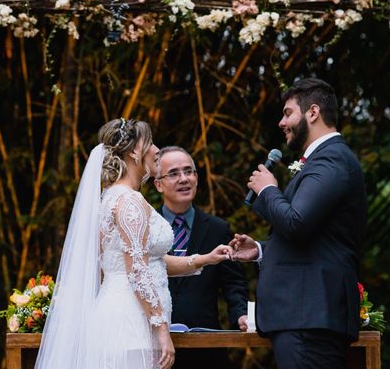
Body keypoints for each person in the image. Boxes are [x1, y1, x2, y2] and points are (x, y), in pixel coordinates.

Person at [34, 118, 233, 369]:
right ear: (134, 152)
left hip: (121, 315)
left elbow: (146, 260)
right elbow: (137, 270)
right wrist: (162, 329)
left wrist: (204, 259)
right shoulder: (130, 202)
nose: (156, 151)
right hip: (130, 323)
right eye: (150, 144)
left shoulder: (111, 197)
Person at [230, 77, 367, 368]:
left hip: (310, 317)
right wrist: (261, 249)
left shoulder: (332, 160)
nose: (282, 122)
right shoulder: (323, 160)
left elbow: (297, 223)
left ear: (313, 112)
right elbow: (314, 236)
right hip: (304, 317)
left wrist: (268, 189)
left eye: (288, 112)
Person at [153, 146, 249, 369]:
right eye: (174, 173)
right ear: (158, 184)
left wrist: (240, 315)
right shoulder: (145, 227)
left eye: (189, 171)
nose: (184, 179)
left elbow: (233, 283)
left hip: (206, 347)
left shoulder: (217, 229)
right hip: (155, 346)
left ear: (197, 177)